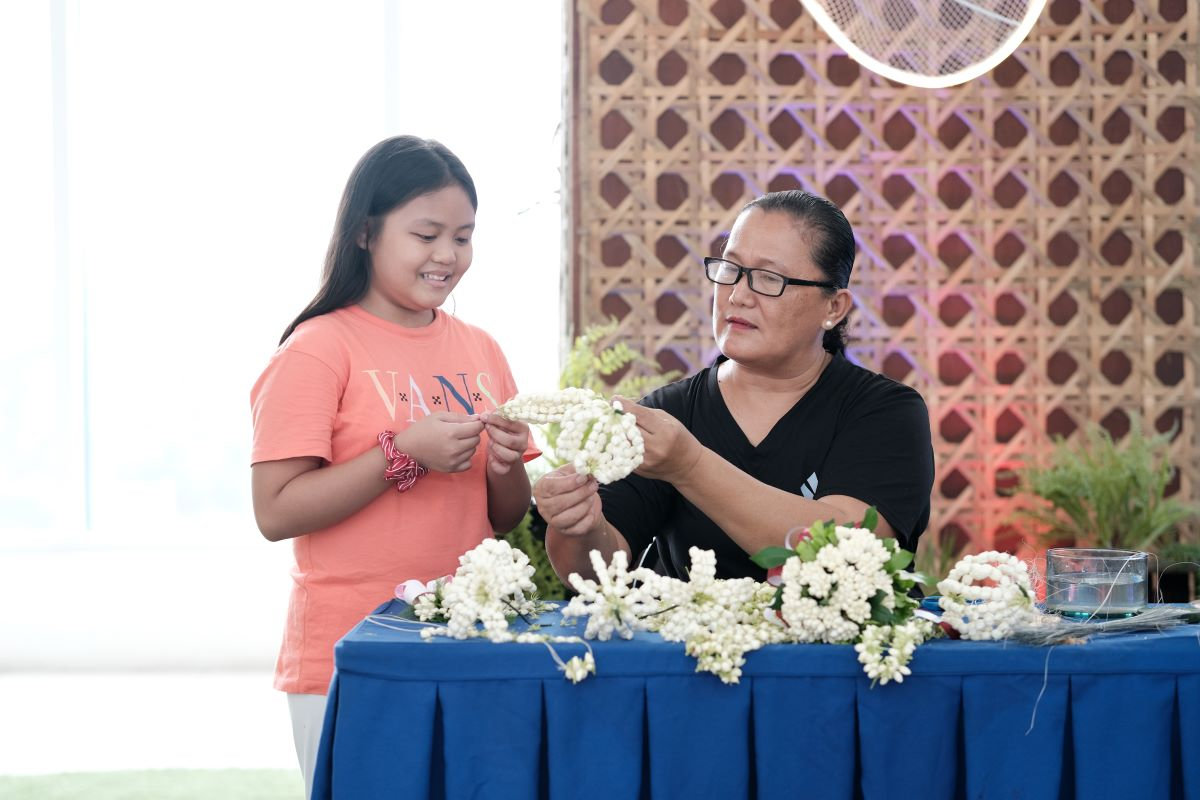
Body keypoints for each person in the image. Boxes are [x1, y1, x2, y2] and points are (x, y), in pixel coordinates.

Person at [249, 135, 534, 798]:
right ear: (363, 234)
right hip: (349, 653)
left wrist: (503, 467)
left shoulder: (480, 348)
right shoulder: (319, 349)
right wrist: (401, 453)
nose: (447, 255)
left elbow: (507, 515)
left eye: (463, 237)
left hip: (467, 641)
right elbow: (275, 510)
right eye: (426, 234)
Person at [534, 189, 934, 583]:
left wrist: (689, 466)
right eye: (731, 270)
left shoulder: (884, 411)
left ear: (833, 307)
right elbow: (596, 569)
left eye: (768, 278)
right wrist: (580, 524)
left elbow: (849, 551)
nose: (738, 295)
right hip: (693, 645)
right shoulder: (671, 415)